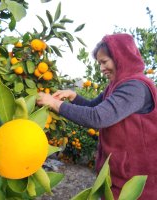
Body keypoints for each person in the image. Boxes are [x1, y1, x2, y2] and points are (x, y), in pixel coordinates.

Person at [36, 33, 157, 199]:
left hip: (136, 181)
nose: (101, 68)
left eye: (104, 62)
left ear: (121, 57)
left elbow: (98, 117)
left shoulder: (135, 87)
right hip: (117, 175)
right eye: (99, 63)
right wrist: (74, 96)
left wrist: (55, 104)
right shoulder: (117, 85)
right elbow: (94, 106)